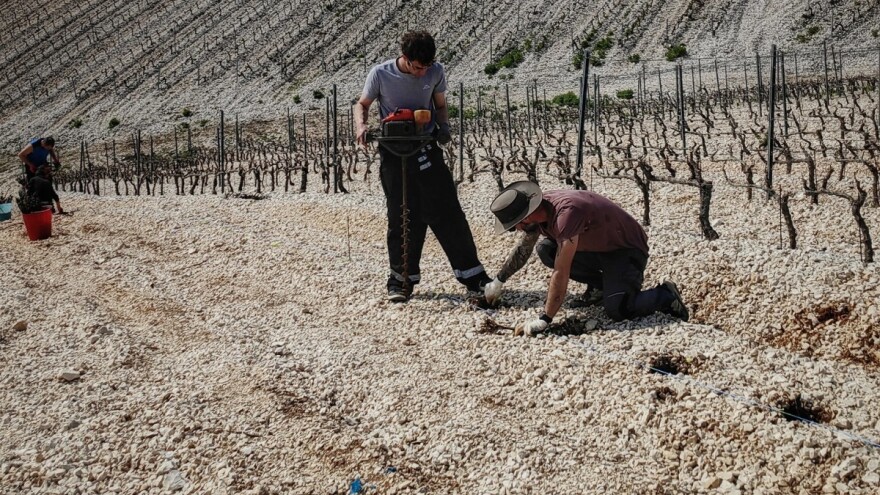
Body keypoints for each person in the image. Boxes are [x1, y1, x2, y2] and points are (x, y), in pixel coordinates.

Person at [354, 30, 491, 302]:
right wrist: (361, 126)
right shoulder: (380, 74)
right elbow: (362, 104)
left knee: (447, 209)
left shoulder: (435, 72)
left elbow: (440, 105)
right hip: (394, 151)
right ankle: (401, 280)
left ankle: (473, 275)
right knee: (402, 213)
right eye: (417, 67)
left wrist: (444, 126)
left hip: (425, 147)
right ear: (405, 58)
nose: (422, 73)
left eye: (426, 67)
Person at [484, 181, 688, 336]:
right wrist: (499, 280)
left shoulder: (566, 214)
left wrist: (545, 318)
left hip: (625, 250)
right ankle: (600, 287)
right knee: (545, 248)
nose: (516, 230)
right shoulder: (540, 213)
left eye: (514, 226)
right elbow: (524, 249)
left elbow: (561, 270)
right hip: (598, 246)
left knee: (619, 310)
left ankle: (665, 295)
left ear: (525, 218)